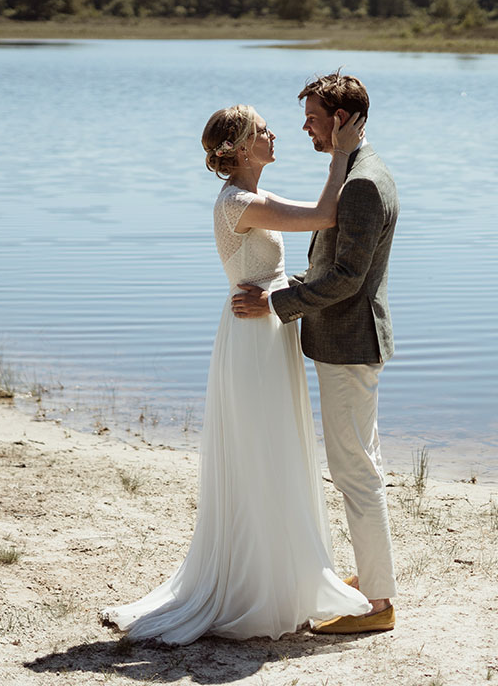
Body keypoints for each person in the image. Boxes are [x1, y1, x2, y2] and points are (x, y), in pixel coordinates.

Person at [103, 104, 370, 645]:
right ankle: (258, 588)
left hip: (266, 329)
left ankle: (282, 577)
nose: (274, 135)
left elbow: (294, 244)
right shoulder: (240, 203)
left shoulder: (247, 199)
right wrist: (342, 152)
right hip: (253, 340)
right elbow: (327, 214)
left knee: (276, 451)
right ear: (243, 149)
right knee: (262, 453)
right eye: (262, 130)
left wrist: (278, 294)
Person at [232, 72, 399, 634]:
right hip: (348, 342)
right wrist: (293, 287)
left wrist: (279, 301)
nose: (304, 126)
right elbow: (332, 269)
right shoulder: (356, 173)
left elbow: (348, 279)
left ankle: (378, 606)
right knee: (361, 465)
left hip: (349, 343)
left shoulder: (362, 184)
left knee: (355, 473)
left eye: (312, 116)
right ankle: (373, 582)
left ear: (344, 117)